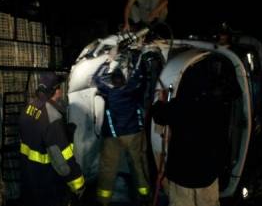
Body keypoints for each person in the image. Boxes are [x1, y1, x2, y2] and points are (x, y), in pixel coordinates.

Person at [151, 58, 241, 206]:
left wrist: (161, 100)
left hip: (181, 174)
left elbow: (158, 115)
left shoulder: (178, 106)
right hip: (207, 173)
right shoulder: (216, 106)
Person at [19, 72, 85, 206]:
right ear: (55, 91)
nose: (61, 90)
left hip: (29, 179)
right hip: (47, 183)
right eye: (59, 87)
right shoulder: (52, 117)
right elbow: (62, 158)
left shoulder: (28, 109)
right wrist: (78, 183)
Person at [93, 63, 150, 206]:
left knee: (108, 168)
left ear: (112, 81)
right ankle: (144, 196)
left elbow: (96, 79)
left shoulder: (109, 93)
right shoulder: (132, 91)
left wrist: (104, 65)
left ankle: (103, 200)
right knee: (138, 165)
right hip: (133, 134)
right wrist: (140, 65)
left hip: (112, 137)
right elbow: (140, 80)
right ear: (124, 79)